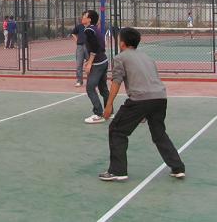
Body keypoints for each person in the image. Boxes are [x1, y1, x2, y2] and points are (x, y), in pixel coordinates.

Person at [100, 27, 185, 181]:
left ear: (122, 43)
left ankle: (118, 171)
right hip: (160, 98)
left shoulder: (120, 57)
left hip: (139, 100)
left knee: (117, 130)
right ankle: (178, 167)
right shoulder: (147, 57)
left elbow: (116, 82)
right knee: (159, 133)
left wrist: (108, 105)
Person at [82, 10, 110, 124]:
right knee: (103, 88)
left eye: (84, 16)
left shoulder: (89, 30)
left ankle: (98, 114)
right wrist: (89, 60)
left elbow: (94, 47)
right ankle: (109, 111)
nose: (82, 17)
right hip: (104, 61)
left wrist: (89, 63)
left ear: (89, 19)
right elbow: (102, 46)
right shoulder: (96, 29)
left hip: (97, 64)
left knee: (90, 88)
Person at [71, 20, 87, 87]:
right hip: (80, 47)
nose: (83, 19)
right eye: (83, 18)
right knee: (79, 65)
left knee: (91, 64)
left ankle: (91, 81)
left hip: (88, 46)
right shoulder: (79, 26)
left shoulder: (91, 27)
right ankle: (79, 81)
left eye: (85, 18)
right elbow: (73, 33)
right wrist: (76, 40)